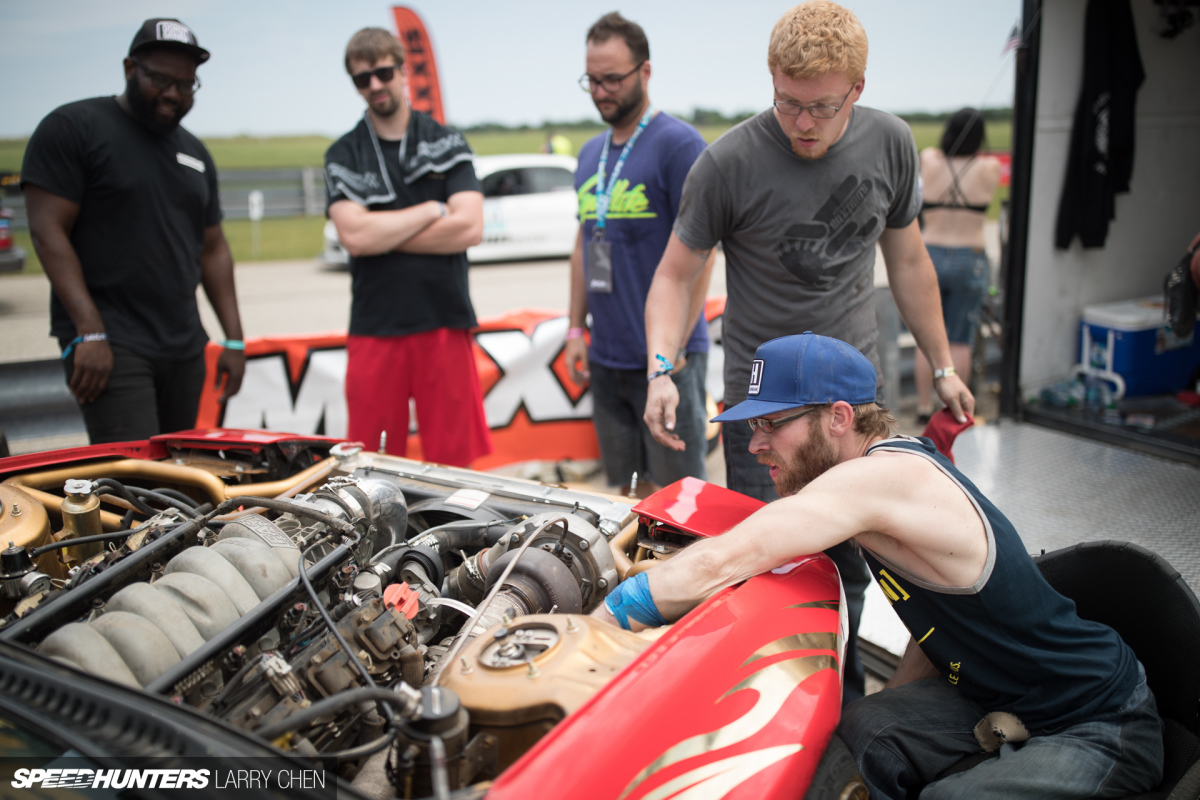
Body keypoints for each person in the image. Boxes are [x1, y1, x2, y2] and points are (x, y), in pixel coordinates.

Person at [600, 332, 1163, 800]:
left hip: (1097, 719)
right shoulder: (888, 468)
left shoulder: (878, 481)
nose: (755, 446)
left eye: (773, 423)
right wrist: (890, 707)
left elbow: (724, 558)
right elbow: (935, 621)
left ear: (839, 416)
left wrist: (606, 617)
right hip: (1004, 695)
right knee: (863, 727)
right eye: (754, 427)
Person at [641, 0, 974, 703]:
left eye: (822, 107)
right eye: (787, 102)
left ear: (857, 87)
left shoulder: (890, 142)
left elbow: (909, 262)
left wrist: (943, 366)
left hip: (853, 403)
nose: (802, 123)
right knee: (765, 565)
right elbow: (673, 275)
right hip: (767, 407)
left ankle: (844, 711)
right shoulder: (727, 162)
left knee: (855, 565)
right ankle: (766, 710)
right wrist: (661, 369)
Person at [22, 19, 245, 444]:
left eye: (186, 84)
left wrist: (234, 341)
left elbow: (213, 249)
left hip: (184, 345)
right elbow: (48, 231)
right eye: (160, 80)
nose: (173, 94)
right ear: (130, 68)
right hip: (111, 341)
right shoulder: (75, 128)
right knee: (132, 476)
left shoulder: (195, 153)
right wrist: (90, 330)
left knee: (179, 475)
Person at [325, 28, 490, 466]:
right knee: (371, 463)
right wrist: (431, 210)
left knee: (455, 464)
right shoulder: (344, 153)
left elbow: (469, 227)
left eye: (383, 73)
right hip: (376, 325)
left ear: (403, 72)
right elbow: (355, 238)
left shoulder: (447, 142)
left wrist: (383, 234)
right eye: (363, 79)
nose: (375, 85)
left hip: (444, 318)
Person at [565, 12, 713, 496]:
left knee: (678, 501)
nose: (600, 91)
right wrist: (575, 329)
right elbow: (583, 245)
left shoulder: (679, 145)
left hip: (666, 363)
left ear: (645, 72)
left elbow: (704, 253)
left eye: (612, 79)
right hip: (607, 359)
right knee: (625, 497)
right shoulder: (590, 153)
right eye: (592, 80)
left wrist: (673, 353)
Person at [914, 109, 1002, 423]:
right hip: (970, 256)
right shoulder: (989, 167)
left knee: (926, 337)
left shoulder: (930, 159)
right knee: (960, 339)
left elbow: (933, 156)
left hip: (930, 255)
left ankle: (923, 406)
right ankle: (956, 410)